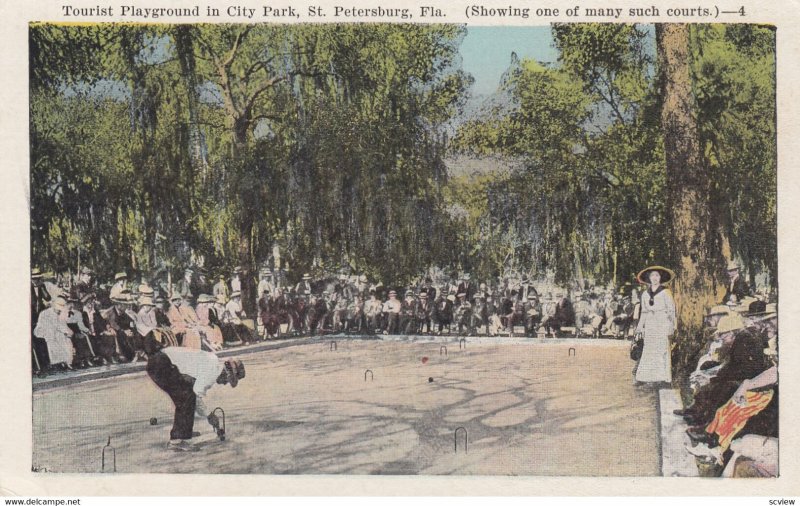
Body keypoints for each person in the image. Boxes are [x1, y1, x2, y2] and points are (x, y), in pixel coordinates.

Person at [143, 331, 244, 451]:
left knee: (185, 394)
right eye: (228, 380)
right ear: (227, 374)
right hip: (161, 364)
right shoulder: (212, 372)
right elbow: (196, 396)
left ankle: (183, 432)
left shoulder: (213, 361)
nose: (225, 383)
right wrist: (209, 415)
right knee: (187, 397)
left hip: (160, 361)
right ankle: (177, 440)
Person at [634, 266, 677, 384]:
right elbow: (644, 311)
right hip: (650, 323)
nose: (654, 278)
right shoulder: (645, 294)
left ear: (660, 278)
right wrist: (640, 326)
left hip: (662, 322)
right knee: (649, 348)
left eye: (657, 275)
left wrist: (672, 326)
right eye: (652, 275)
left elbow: (671, 310)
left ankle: (662, 377)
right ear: (649, 278)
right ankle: (647, 377)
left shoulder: (665, 292)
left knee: (661, 348)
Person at [33, 297, 75, 371]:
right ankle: (56, 363)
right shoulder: (45, 313)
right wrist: (65, 331)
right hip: (44, 331)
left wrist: (68, 331)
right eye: (58, 308)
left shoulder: (59, 313)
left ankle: (67, 362)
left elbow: (63, 324)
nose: (59, 310)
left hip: (55, 331)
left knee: (65, 339)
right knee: (54, 338)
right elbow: (53, 325)